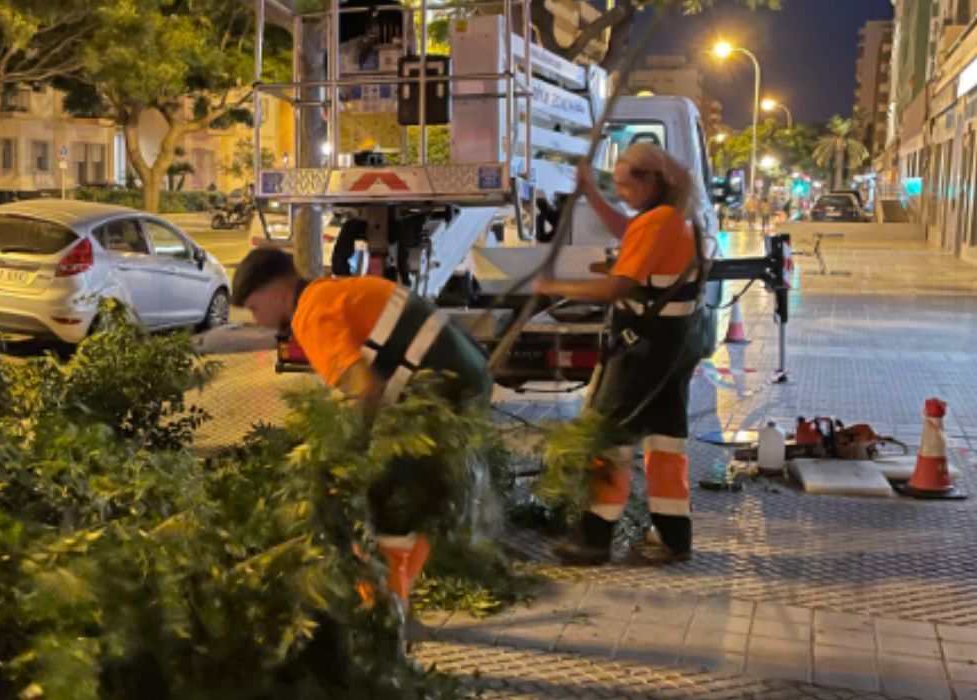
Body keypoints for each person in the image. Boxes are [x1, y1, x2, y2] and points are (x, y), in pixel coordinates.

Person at [231, 248, 493, 603]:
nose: (257, 320)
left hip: (443, 387)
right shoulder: (330, 292)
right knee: (418, 492)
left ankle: (385, 609)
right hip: (464, 373)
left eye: (255, 308)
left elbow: (364, 391)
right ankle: (397, 590)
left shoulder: (310, 315)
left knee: (384, 493)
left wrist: (344, 461)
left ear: (277, 293)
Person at [532, 143, 704, 565]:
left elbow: (615, 288)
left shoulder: (660, 221)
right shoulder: (674, 217)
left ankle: (592, 540)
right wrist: (592, 192)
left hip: (644, 351)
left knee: (606, 438)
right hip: (674, 345)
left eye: (627, 187)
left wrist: (553, 288)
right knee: (665, 441)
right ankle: (672, 537)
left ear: (652, 181)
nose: (623, 194)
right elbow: (628, 230)